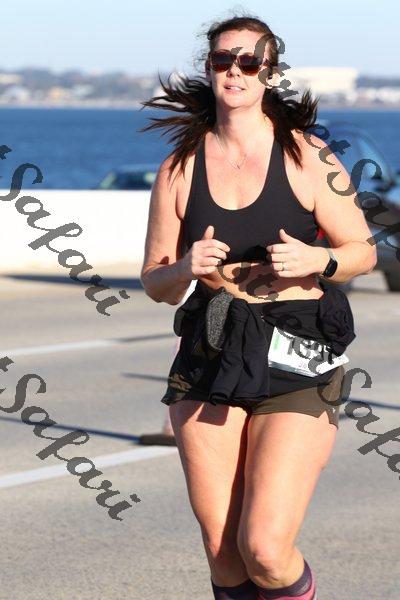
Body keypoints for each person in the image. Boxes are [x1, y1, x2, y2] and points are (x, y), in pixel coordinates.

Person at [139, 13, 376, 600]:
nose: (236, 71)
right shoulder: (179, 167)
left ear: (270, 72)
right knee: (225, 554)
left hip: (298, 349)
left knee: (266, 549)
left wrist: (318, 261)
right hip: (212, 347)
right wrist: (184, 267)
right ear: (209, 68)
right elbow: (155, 281)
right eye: (224, 59)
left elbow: (363, 251)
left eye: (250, 61)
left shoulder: (309, 157)